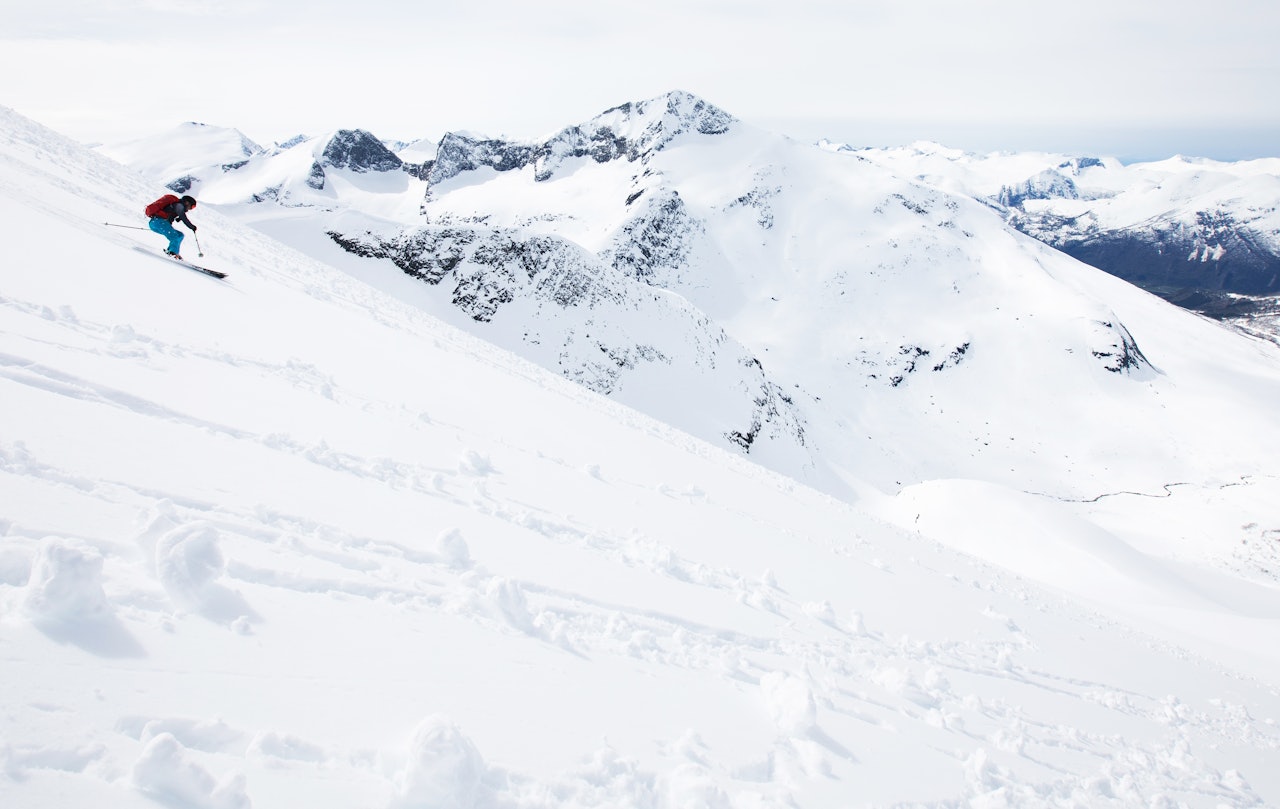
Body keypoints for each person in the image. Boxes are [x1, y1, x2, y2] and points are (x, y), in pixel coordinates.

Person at [146, 194, 198, 259]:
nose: (190, 209)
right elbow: (184, 218)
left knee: (180, 235)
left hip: (156, 223)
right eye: (192, 206)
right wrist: (192, 227)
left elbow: (173, 214)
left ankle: (172, 252)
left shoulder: (177, 206)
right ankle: (172, 253)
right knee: (175, 236)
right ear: (187, 202)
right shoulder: (179, 206)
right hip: (159, 222)